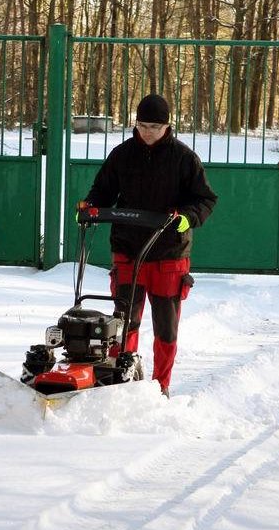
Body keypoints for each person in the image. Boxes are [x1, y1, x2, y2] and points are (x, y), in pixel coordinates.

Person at [83, 93, 217, 397]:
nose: (147, 132)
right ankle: (120, 378)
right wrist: (91, 207)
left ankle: (160, 386)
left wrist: (188, 217)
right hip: (128, 248)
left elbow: (205, 199)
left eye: (155, 127)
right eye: (142, 125)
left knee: (165, 327)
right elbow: (102, 191)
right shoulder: (122, 155)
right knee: (124, 321)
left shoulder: (184, 158)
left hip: (169, 251)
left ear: (167, 126)